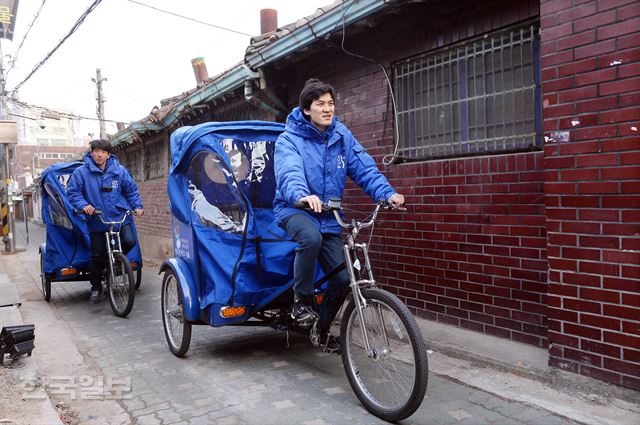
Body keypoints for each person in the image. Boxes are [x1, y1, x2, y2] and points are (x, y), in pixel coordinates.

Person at [273, 78, 404, 348]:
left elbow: (364, 168)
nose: (327, 108)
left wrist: (387, 194)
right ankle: (302, 303)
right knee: (310, 238)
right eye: (320, 104)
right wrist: (301, 195)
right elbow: (289, 170)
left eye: (330, 103)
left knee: (343, 279)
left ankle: (319, 331)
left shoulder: (341, 136)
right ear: (307, 109)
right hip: (294, 208)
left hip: (328, 215)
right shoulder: (289, 139)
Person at [67, 139, 144, 304]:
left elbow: (131, 191)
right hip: (97, 219)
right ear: (92, 152)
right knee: (96, 255)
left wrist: (137, 206)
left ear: (109, 155)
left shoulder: (119, 171)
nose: (99, 154)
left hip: (119, 216)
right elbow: (73, 192)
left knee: (130, 240)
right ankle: (96, 287)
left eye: (103, 152)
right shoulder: (81, 173)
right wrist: (84, 205)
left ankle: (116, 263)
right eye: (96, 151)